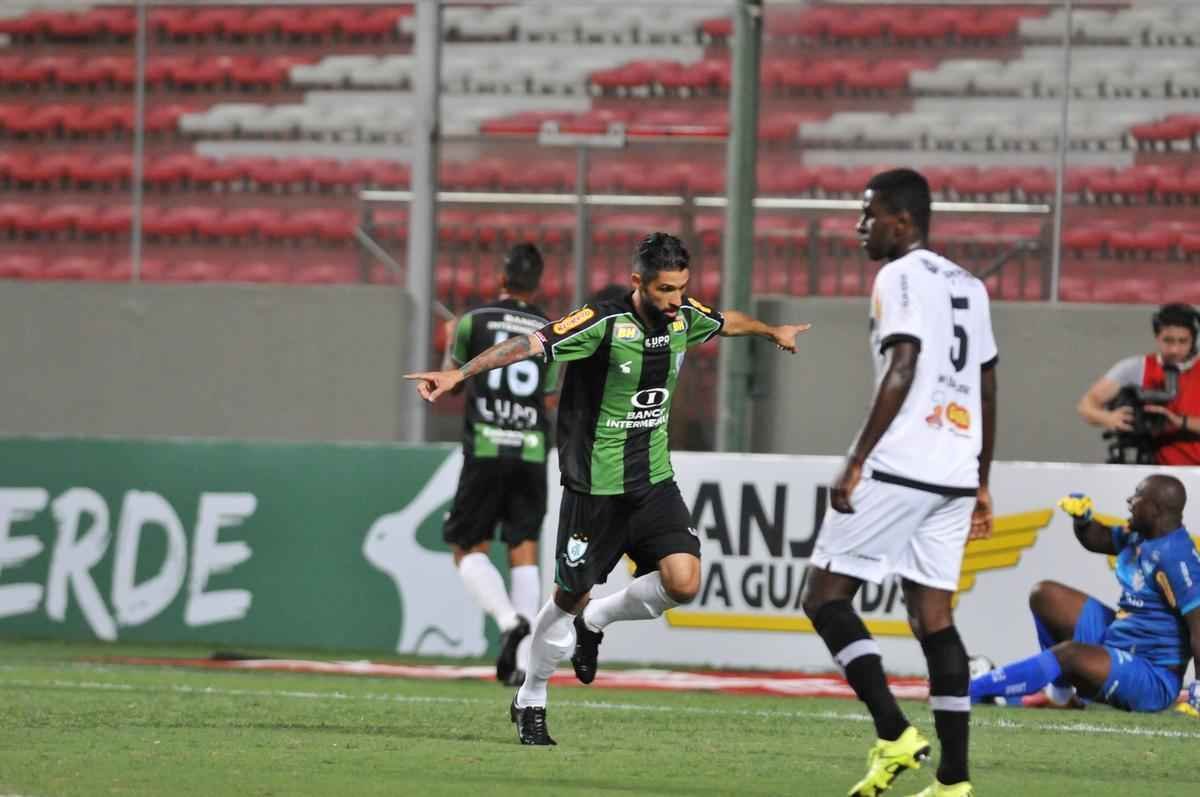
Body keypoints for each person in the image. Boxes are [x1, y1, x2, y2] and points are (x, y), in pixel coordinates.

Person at [406, 232, 811, 745]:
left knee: (684, 581)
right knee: (566, 597)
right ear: (637, 281)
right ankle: (531, 695)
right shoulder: (601, 322)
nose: (674, 300)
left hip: (653, 482)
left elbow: (727, 321)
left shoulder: (683, 317)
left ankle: (596, 621)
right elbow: (528, 344)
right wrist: (458, 373)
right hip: (594, 489)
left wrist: (771, 330)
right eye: (665, 289)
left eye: (682, 288)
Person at [800, 168, 997, 797]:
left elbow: (903, 363)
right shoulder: (970, 285)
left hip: (904, 462)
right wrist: (982, 478)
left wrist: (858, 458)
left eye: (869, 214)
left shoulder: (900, 275)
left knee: (824, 597)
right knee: (933, 618)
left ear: (903, 220)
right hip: (956, 471)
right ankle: (954, 781)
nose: (860, 226)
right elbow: (987, 383)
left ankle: (893, 732)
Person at [968, 477, 1200, 722]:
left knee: (1068, 654)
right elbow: (1099, 539)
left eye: (1137, 497)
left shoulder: (1177, 557)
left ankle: (972, 690)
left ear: (1155, 510)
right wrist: (1083, 520)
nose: (1129, 501)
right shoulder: (1141, 534)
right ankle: (1062, 695)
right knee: (1045, 595)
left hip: (1151, 675)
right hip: (1118, 640)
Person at [439, 243, 559, 686]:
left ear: (501, 278)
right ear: (538, 283)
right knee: (524, 548)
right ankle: (523, 665)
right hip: (530, 448)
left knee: (467, 547)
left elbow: (449, 385)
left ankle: (510, 622)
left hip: (487, 447)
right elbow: (547, 394)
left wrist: (453, 339)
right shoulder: (549, 328)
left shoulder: (474, 321)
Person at [1077, 303, 1200, 465]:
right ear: (1157, 337)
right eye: (1168, 341)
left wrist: (1179, 422)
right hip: (1155, 473)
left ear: (1194, 341)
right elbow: (1086, 406)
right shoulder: (1136, 368)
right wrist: (1108, 418)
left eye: (1183, 341)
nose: (1174, 350)